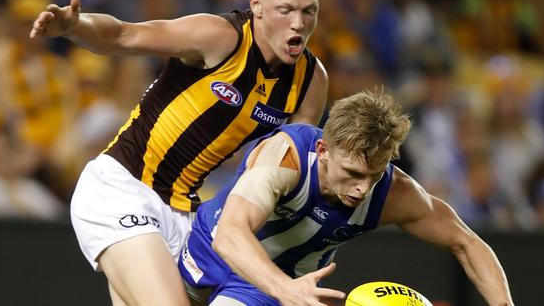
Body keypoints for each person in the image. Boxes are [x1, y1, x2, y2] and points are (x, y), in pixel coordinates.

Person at [29, 0, 328, 305]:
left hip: (187, 215)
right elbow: (123, 35)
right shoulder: (219, 37)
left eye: (308, 11)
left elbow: (292, 168)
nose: (298, 23)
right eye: (286, 10)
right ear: (257, 4)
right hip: (122, 189)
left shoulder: (310, 81)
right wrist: (75, 26)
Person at [179, 90, 514, 306]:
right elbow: (230, 235)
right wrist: (287, 288)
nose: (362, 189)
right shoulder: (286, 157)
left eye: (374, 174)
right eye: (353, 173)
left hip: (266, 290)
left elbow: (467, 243)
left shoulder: (394, 192)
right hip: (207, 250)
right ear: (323, 150)